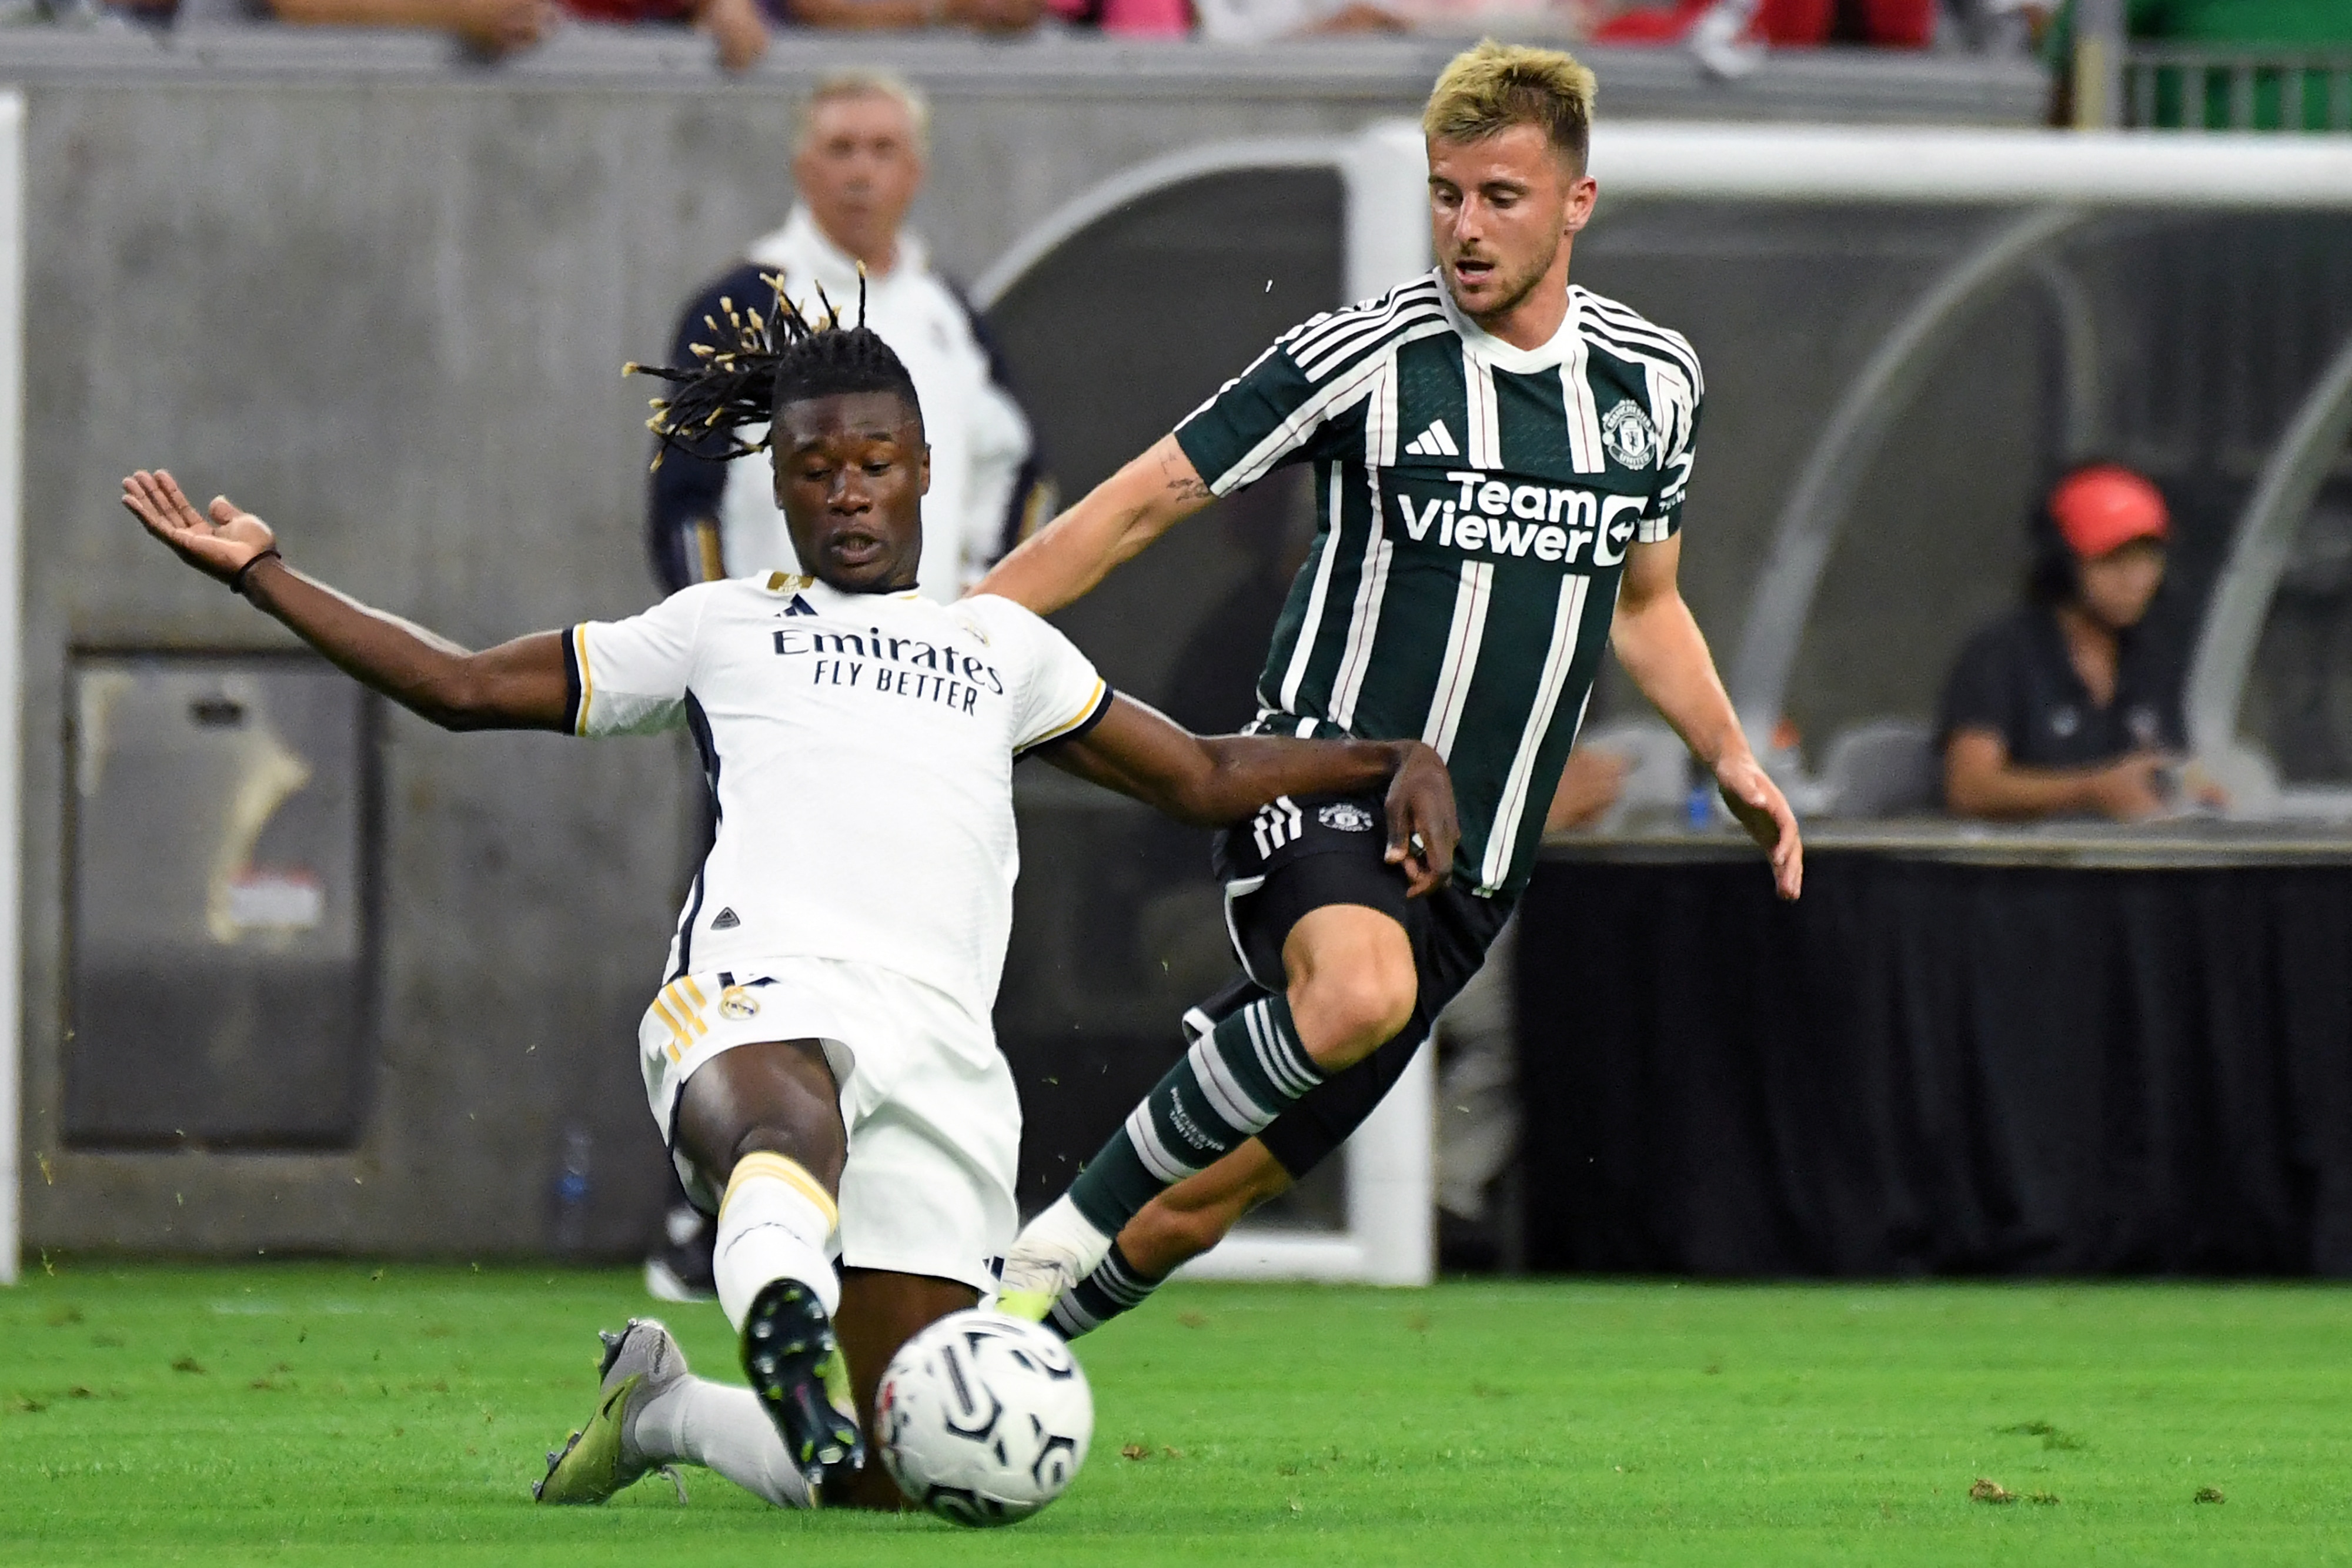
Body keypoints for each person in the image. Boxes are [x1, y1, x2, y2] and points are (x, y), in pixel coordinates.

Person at [117, 300, 1458, 1509]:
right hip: (760, 992)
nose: (850, 494)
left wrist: (1389, 758)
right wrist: (262, 573)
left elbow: (1207, 774)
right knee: (784, 1116)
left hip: (940, 1049)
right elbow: (462, 687)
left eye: (874, 463)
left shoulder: (999, 648)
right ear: (781, 485)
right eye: (816, 471)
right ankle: (775, 1312)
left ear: (924, 469)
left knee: (884, 1473)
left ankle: (663, 1411)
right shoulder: (718, 625)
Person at [977, 39, 1804, 1336]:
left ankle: (959, 1375)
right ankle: (1048, 1240)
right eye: (1444, 194)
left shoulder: (1652, 381)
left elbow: (1643, 606)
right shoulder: (1363, 356)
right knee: (1356, 993)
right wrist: (962, 635)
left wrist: (1730, 759)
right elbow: (1139, 504)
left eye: (1499, 197)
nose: (1463, 229)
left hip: (1474, 873)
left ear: (1575, 203)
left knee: (1199, 1205)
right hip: (1326, 779)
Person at [647, 71, 1047, 604]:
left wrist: (985, 606)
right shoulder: (744, 304)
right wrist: (721, 633)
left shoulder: (949, 312)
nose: (861, 171)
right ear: (803, 169)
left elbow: (1017, 468)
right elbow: (685, 502)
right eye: (841, 149)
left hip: (925, 664)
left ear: (915, 171)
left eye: (883, 150)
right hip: (778, 660)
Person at [1940, 462, 2214, 822]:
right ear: (2064, 567)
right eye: (2113, 560)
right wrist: (2091, 790)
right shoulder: (2001, 654)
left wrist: (2197, 791)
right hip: (2017, 869)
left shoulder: (2152, 659)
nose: (2136, 579)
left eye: (2148, 560)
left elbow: (2174, 761)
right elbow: (1971, 787)